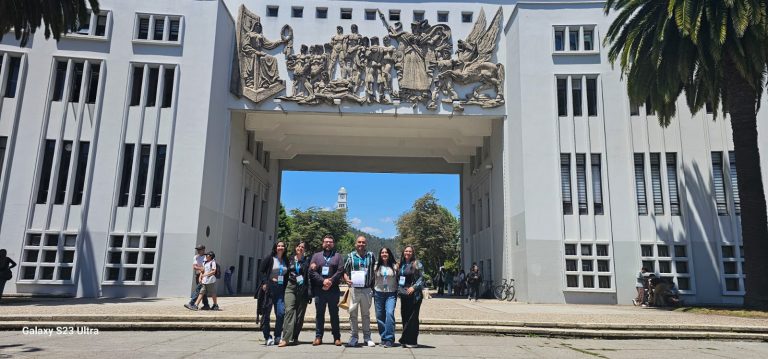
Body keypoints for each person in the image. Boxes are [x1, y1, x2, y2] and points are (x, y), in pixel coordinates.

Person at [308, 235, 344, 346]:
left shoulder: (338, 256)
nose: (328, 244)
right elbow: (312, 271)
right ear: (322, 243)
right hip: (320, 290)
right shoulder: (316, 256)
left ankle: (337, 338)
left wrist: (330, 281)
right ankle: (318, 337)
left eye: (330, 242)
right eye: (326, 242)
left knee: (334, 314)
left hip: (333, 290)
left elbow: (340, 270)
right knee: (319, 314)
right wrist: (323, 281)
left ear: (333, 244)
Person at [343, 236, 376, 347]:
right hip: (354, 289)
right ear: (355, 244)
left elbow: (375, 271)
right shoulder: (350, 256)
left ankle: (367, 337)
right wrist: (346, 279)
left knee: (366, 315)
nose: (361, 244)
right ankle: (354, 337)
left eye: (363, 242)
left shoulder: (371, 256)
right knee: (353, 315)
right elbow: (344, 271)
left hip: (367, 289)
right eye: (359, 242)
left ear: (366, 244)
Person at [279, 241, 311, 347]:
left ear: (304, 250)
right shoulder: (289, 259)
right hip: (290, 287)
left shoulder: (307, 261)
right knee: (289, 311)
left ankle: (295, 337)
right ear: (295, 248)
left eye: (302, 247)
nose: (300, 248)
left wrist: (310, 292)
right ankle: (286, 338)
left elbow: (309, 276)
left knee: (300, 315)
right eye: (298, 246)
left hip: (302, 289)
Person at [258, 241, 289, 346]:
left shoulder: (285, 260)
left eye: (282, 246)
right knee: (266, 313)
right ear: (275, 248)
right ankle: (267, 336)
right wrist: (264, 283)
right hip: (269, 288)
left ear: (285, 248)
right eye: (278, 246)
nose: (280, 247)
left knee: (281, 313)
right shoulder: (270, 258)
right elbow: (261, 271)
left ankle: (277, 336)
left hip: (280, 289)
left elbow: (287, 274)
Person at [397, 245, 424, 348]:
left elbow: (422, 278)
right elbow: (400, 278)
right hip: (404, 295)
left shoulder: (417, 264)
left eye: (410, 251)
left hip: (414, 295)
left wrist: (414, 287)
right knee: (405, 317)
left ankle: (412, 341)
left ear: (413, 253)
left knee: (413, 318)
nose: (407, 253)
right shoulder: (402, 264)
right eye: (406, 251)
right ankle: (405, 339)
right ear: (403, 252)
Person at [373, 247, 398, 347]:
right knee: (380, 316)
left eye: (386, 252)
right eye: (382, 252)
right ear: (380, 254)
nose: (384, 254)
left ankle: (389, 338)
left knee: (389, 314)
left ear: (389, 254)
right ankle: (383, 337)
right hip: (378, 293)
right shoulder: (375, 266)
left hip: (391, 293)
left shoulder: (395, 266)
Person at [186, 245, 210, 310]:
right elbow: (194, 267)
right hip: (197, 275)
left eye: (199, 249)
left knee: (198, 289)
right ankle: (206, 305)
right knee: (202, 290)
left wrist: (201, 269)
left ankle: (191, 303)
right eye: (197, 249)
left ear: (203, 250)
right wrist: (201, 268)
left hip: (204, 276)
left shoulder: (207, 257)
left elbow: (206, 268)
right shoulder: (196, 257)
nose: (198, 251)